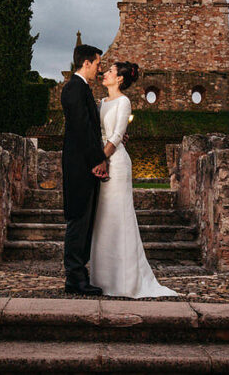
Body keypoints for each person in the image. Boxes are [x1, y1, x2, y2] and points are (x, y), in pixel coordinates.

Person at [90, 61, 178, 298]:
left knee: (119, 217)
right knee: (103, 218)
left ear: (119, 78)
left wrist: (101, 160)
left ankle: (126, 280)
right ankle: (103, 278)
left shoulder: (124, 101)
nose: (105, 73)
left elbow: (117, 135)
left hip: (116, 164)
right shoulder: (101, 103)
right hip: (102, 159)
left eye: (110, 71)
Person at [60, 44, 109, 295]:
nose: (100, 69)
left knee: (85, 220)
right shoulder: (73, 89)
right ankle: (74, 277)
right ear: (86, 63)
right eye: (98, 64)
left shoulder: (81, 89)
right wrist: (97, 160)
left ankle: (80, 274)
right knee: (78, 219)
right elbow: (81, 128)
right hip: (80, 166)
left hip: (84, 165)